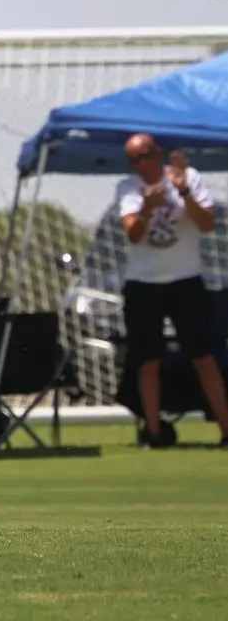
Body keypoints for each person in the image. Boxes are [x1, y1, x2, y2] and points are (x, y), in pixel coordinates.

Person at [117, 137, 228, 447]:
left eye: (146, 156)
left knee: (203, 357)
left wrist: (182, 190)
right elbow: (134, 234)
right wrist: (146, 208)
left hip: (186, 280)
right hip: (143, 283)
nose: (143, 164)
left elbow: (207, 224)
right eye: (135, 159)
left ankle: (225, 429)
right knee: (147, 361)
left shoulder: (187, 178)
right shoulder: (128, 187)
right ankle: (154, 432)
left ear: (158, 154)